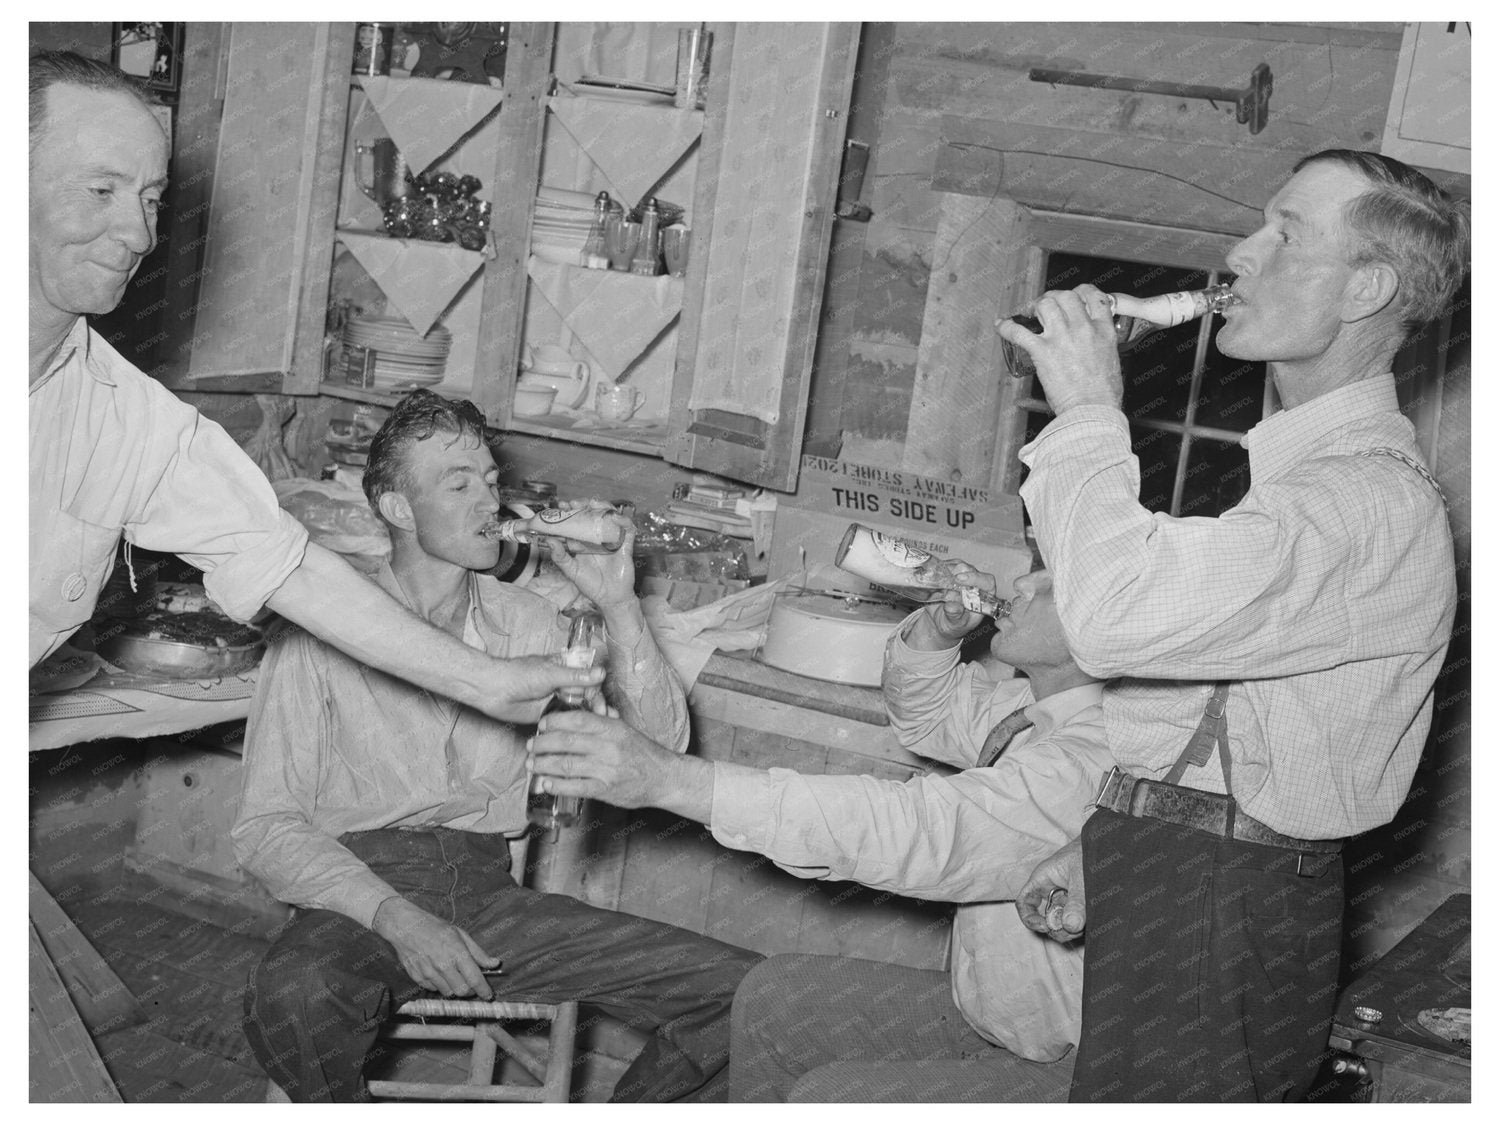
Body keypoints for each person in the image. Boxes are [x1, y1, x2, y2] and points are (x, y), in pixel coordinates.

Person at [996, 149, 1468, 1102]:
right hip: (1186, 872)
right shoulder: (1308, 481)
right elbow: (1236, 713)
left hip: (1225, 896)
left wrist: (1088, 410)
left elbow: (1111, 618)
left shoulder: (1366, 501)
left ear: (1367, 288)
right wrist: (1121, 835)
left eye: (1286, 234)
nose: (1242, 253)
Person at [232, 390, 761, 1102]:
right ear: (398, 508)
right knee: (293, 993)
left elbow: (660, 746)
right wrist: (397, 918)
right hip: (359, 896)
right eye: (459, 485)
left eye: (490, 480)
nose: (491, 501)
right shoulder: (320, 633)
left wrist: (618, 602)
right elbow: (266, 827)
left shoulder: (535, 624)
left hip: (489, 900)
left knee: (747, 994)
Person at [28, 50, 591, 719]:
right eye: (102, 190)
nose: (139, 232)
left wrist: (485, 681)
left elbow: (285, 565)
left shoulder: (124, 418)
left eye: (150, 199)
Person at [528, 560, 1113, 1102]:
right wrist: (935, 636)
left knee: (828, 1098)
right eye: (1036, 570)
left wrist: (674, 782)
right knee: (774, 996)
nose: (1023, 585)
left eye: (1053, 585)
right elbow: (931, 715)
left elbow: (921, 831)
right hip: (997, 1016)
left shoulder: (1092, 757)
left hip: (1081, 1063)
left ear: (1112, 630)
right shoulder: (1039, 707)